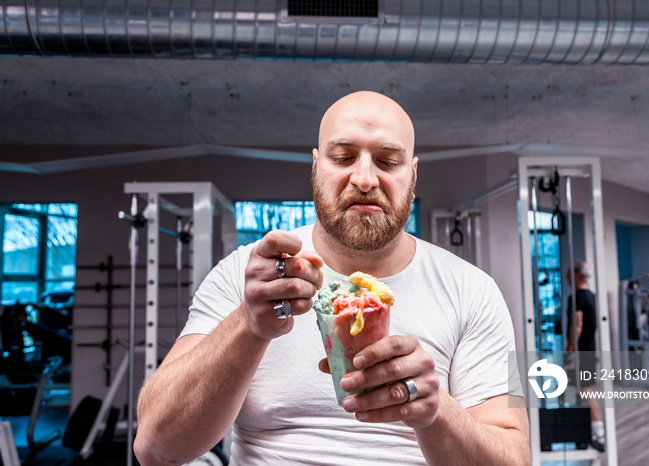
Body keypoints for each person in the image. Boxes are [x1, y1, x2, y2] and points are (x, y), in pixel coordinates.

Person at [134, 91, 530, 465]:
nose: (364, 179)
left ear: (412, 174)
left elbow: (517, 457)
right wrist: (248, 323)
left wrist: (435, 408)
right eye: (342, 157)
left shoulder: (476, 291)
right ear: (316, 165)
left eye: (388, 162)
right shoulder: (243, 275)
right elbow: (154, 448)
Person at [565, 261, 604, 452]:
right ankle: (587, 432)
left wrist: (570, 350)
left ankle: (598, 432)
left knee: (586, 390)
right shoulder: (592, 296)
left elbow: (577, 325)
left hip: (581, 350)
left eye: (569, 273)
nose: (565, 277)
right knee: (582, 389)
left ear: (578, 274)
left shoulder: (577, 297)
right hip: (589, 348)